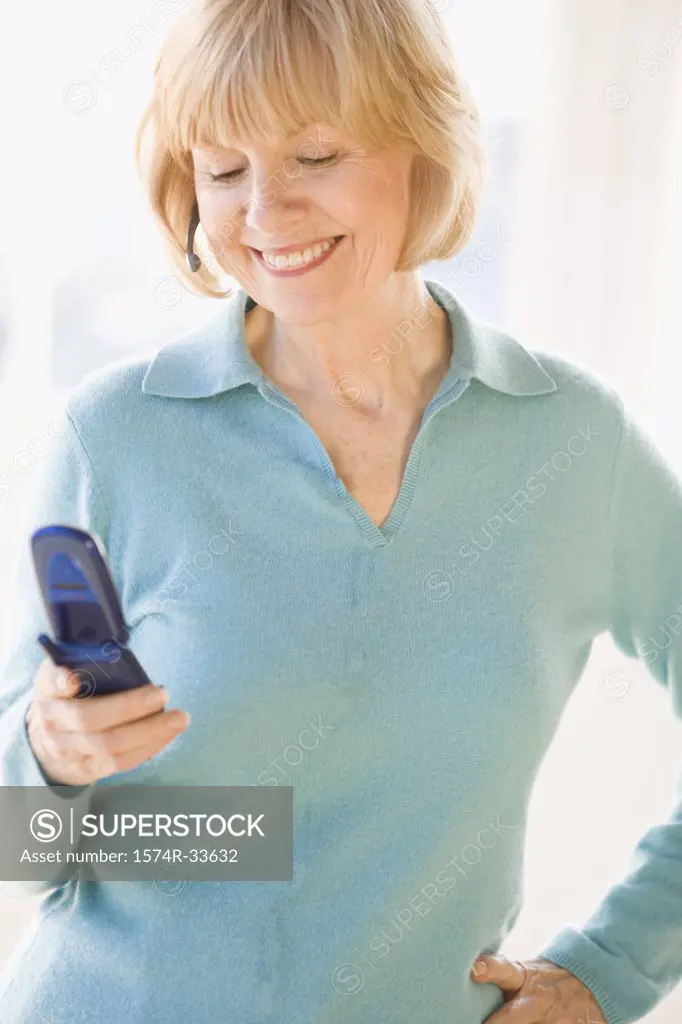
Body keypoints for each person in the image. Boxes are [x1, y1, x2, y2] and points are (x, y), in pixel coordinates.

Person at [1, 1, 682, 1022]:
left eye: (314, 153)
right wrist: (53, 762)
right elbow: (26, 845)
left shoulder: (571, 443)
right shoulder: (120, 436)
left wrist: (606, 971)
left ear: (425, 146)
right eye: (223, 171)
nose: (265, 212)